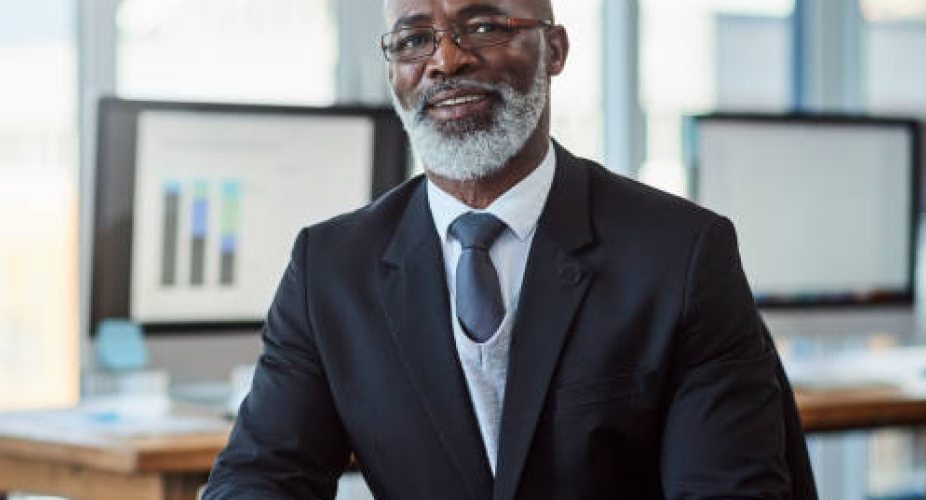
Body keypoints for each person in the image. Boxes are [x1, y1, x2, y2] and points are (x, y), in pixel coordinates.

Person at [205, 0, 818, 498]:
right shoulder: (330, 268)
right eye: (415, 38)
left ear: (555, 49)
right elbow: (262, 477)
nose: (445, 60)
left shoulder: (681, 254)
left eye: (483, 25)